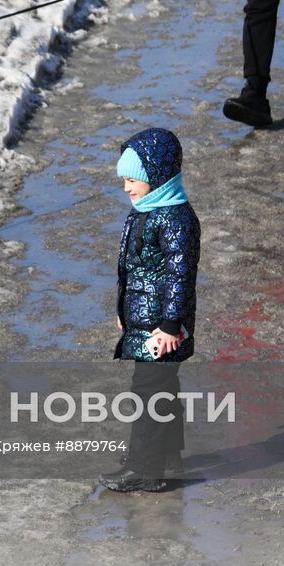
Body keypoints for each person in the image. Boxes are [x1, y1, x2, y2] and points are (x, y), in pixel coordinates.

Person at [100, 127, 200, 493]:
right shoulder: (144, 210)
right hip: (144, 320)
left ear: (157, 177)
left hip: (161, 327)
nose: (126, 187)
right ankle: (168, 456)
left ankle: (144, 467)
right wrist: (124, 311)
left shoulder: (175, 218)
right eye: (124, 180)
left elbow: (180, 276)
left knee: (148, 393)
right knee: (162, 389)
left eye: (133, 180)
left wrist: (171, 324)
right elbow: (134, 268)